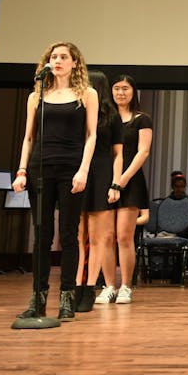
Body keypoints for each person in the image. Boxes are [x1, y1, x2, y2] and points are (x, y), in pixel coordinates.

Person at [11, 41, 98, 322]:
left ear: (75, 62)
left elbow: (91, 135)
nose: (57, 61)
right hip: (40, 168)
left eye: (63, 57)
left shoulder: (87, 94)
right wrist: (21, 170)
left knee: (69, 235)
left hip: (71, 168)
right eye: (53, 57)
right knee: (42, 236)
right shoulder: (36, 95)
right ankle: (38, 297)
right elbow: (29, 137)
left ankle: (67, 297)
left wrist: (83, 170)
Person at [101, 74, 153, 305]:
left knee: (124, 236)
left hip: (130, 181)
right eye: (116, 88)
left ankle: (126, 286)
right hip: (105, 180)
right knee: (106, 237)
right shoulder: (105, 119)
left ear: (133, 92)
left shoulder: (142, 119)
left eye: (125, 88)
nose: (120, 93)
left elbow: (143, 152)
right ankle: (109, 286)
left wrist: (121, 180)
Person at [75, 70, 123, 312]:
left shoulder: (112, 117)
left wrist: (115, 183)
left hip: (102, 173)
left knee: (97, 236)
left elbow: (118, 154)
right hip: (77, 172)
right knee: (76, 235)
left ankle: (89, 287)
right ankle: (74, 285)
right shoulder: (75, 112)